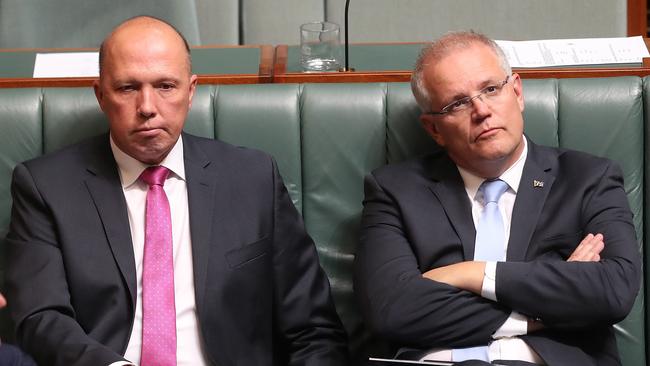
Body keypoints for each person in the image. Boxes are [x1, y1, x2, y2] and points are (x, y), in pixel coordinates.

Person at [5, 16, 348, 366]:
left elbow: (313, 329)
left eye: (166, 86)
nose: (148, 107)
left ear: (191, 90)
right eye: (127, 88)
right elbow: (40, 317)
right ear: (101, 95)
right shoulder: (46, 187)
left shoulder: (253, 178)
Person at [354, 31, 641, 365]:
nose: (481, 111)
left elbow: (614, 290)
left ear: (517, 91)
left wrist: (471, 273)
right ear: (433, 129)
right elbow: (391, 308)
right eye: (457, 103)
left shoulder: (589, 178)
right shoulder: (394, 190)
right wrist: (544, 308)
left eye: (491, 89)